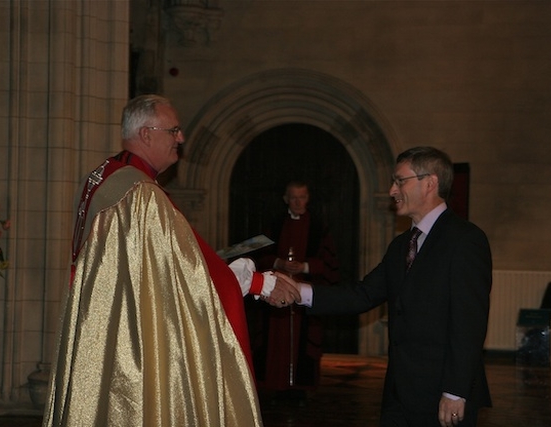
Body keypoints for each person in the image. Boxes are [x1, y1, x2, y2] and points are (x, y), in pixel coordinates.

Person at [43, 94, 299, 427]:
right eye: (174, 130)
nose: (181, 138)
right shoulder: (141, 194)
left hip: (102, 330)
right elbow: (186, 275)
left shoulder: (101, 178)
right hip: (132, 341)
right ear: (146, 134)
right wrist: (259, 282)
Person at [288, 146, 492, 427]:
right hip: (398, 393)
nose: (392, 190)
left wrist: (455, 391)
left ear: (430, 182)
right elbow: (363, 294)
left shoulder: (465, 240)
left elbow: (469, 322)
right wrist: (298, 292)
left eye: (400, 181)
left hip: (443, 395)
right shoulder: (401, 246)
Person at [251, 181, 339, 399]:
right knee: (275, 342)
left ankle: (298, 389)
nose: (298, 202)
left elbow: (330, 263)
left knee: (301, 342)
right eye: (294, 198)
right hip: (275, 292)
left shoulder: (319, 227)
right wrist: (278, 263)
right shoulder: (274, 225)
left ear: (308, 198)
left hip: (304, 294)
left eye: (302, 197)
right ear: (286, 199)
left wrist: (305, 267)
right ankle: (273, 385)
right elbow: (258, 255)